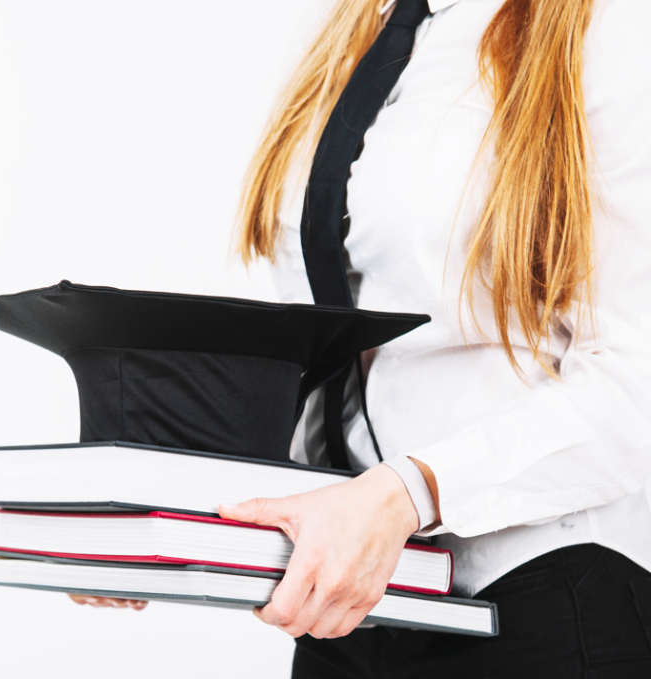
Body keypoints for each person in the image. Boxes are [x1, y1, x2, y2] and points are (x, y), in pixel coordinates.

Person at [73, 0, 651, 676]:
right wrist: (165, 502)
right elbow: (330, 346)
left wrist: (406, 494)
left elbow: (635, 377)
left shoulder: (611, 26)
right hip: (356, 603)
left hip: (542, 597)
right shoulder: (350, 24)